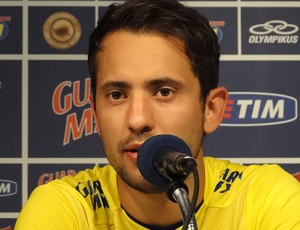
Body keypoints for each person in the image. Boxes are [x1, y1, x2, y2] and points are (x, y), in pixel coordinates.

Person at [15, 0, 300, 229]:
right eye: (117, 95)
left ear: (210, 109)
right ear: (96, 115)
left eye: (164, 91)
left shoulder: (267, 199)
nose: (138, 119)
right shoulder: (63, 208)